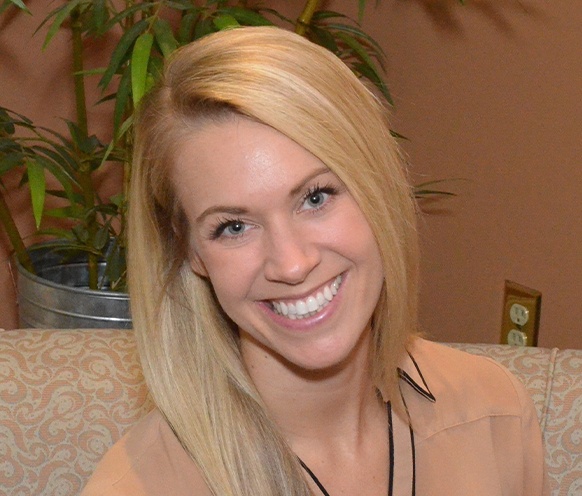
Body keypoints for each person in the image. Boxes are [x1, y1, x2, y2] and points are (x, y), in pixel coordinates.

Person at [82, 26, 549, 496]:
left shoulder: (495, 416)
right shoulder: (138, 487)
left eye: (316, 197)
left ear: (376, 188)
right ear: (191, 252)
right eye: (234, 227)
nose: (291, 264)